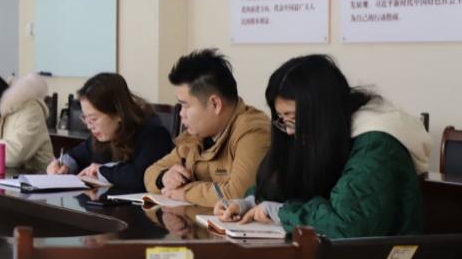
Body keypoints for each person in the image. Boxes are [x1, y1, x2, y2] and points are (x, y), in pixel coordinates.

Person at [215, 54, 427, 238]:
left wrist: (281, 212)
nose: (288, 131)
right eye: (282, 118)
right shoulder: (325, 132)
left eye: (293, 118)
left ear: (321, 112)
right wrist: (249, 202)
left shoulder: (376, 145)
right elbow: (289, 182)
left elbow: (348, 224)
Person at [143, 49, 270, 206]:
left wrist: (185, 192)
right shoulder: (196, 135)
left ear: (215, 104)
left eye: (185, 106)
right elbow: (149, 173)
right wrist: (164, 177)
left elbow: (238, 194)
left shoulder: (253, 132)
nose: (181, 114)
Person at [46, 73, 173, 193]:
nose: (89, 126)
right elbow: (76, 155)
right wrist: (64, 165)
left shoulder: (154, 134)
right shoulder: (104, 133)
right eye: (85, 118)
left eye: (93, 119)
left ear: (118, 113)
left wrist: (101, 170)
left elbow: (140, 177)